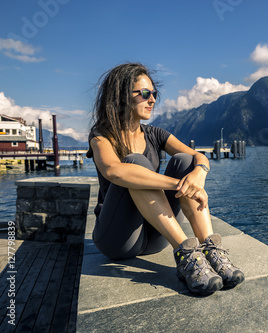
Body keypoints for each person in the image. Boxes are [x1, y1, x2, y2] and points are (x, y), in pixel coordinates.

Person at [87, 63, 244, 296]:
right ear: (121, 96)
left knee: (185, 161)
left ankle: (210, 249)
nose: (152, 100)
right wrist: (180, 185)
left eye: (154, 94)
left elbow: (198, 157)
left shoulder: (155, 134)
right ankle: (187, 255)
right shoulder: (102, 134)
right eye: (145, 94)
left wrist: (198, 175)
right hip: (118, 239)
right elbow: (113, 171)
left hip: (155, 238)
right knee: (134, 164)